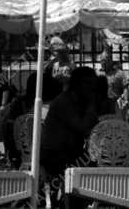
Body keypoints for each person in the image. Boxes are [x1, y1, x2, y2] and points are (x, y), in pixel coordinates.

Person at [40, 66, 100, 206]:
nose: (92, 89)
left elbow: (94, 128)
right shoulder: (64, 101)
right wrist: (91, 107)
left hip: (70, 152)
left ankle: (85, 200)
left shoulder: (78, 102)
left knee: (100, 161)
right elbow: (83, 128)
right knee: (93, 165)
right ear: (79, 85)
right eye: (89, 85)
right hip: (55, 155)